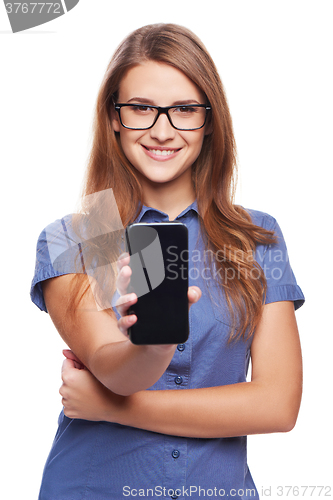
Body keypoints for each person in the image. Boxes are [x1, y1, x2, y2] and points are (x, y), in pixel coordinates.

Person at [30, 23, 305, 500]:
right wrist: (152, 347)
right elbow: (110, 366)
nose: (162, 130)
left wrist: (115, 408)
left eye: (183, 110)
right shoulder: (84, 234)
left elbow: (277, 405)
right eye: (140, 108)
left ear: (209, 119)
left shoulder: (254, 238)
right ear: (114, 117)